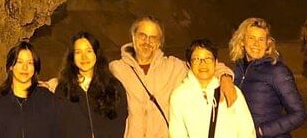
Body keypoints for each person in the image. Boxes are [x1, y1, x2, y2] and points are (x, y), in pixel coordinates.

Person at [109, 16, 237, 138]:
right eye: (142, 35)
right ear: (133, 36)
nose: (147, 42)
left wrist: (225, 77)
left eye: (153, 38)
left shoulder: (173, 67)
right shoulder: (117, 68)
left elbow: (203, 65)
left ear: (159, 43)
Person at [229, 18, 306, 137]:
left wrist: (261, 131)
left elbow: (299, 114)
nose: (256, 44)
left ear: (267, 44)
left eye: (261, 39)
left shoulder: (277, 71)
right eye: (251, 38)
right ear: (242, 41)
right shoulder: (238, 69)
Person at [168, 39, 255, 138]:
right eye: (196, 59)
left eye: (208, 58)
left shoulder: (230, 90)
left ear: (216, 62)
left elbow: (246, 130)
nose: (203, 63)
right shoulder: (180, 96)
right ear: (189, 64)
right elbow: (177, 133)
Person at [55, 31, 128, 138]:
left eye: (88, 51)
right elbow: (59, 126)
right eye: (78, 52)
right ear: (72, 57)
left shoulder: (113, 87)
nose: (84, 57)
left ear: (96, 53)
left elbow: (119, 122)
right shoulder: (63, 89)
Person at [0, 40, 59, 138]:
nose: (25, 67)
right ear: (11, 66)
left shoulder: (48, 100)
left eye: (30, 63)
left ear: (35, 67)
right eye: (19, 62)